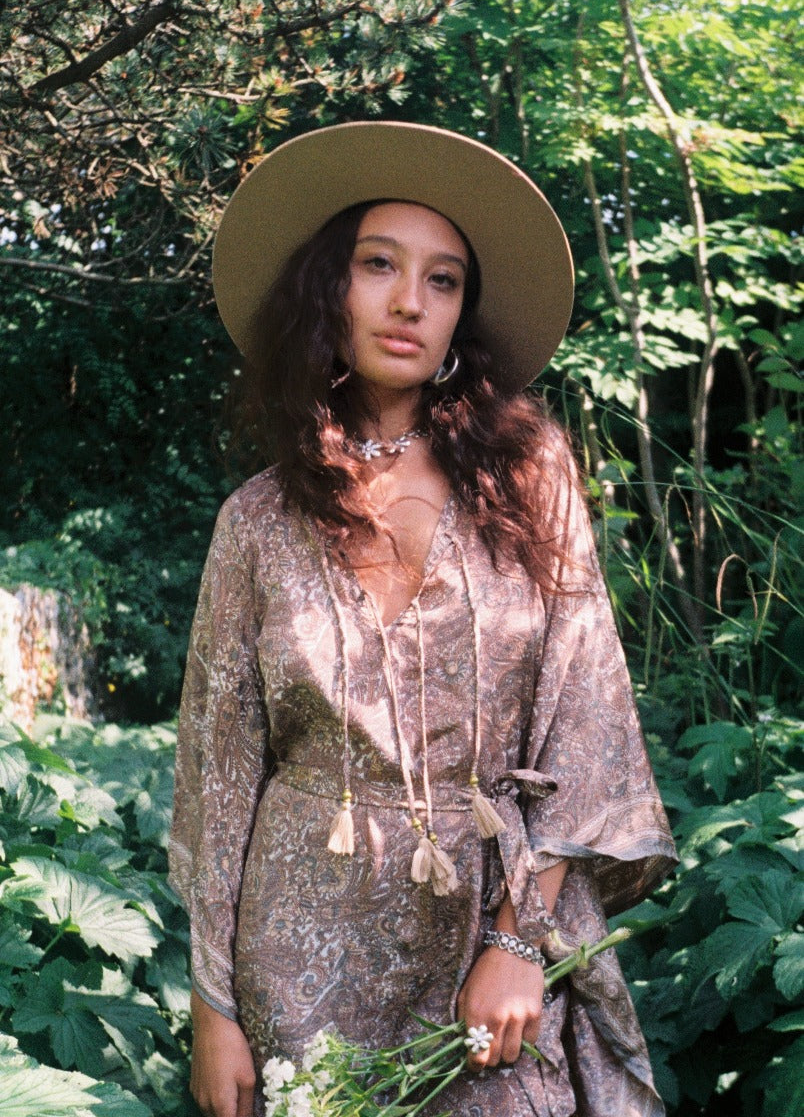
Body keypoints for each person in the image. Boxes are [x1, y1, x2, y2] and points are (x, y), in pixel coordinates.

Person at [168, 122, 677, 1117]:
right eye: (378, 266)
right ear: (328, 290)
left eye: (443, 280)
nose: (410, 302)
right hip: (297, 965)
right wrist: (214, 1009)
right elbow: (221, 777)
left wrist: (519, 940)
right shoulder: (257, 521)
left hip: (484, 941)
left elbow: (588, 717)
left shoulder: (531, 484)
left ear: (462, 317)